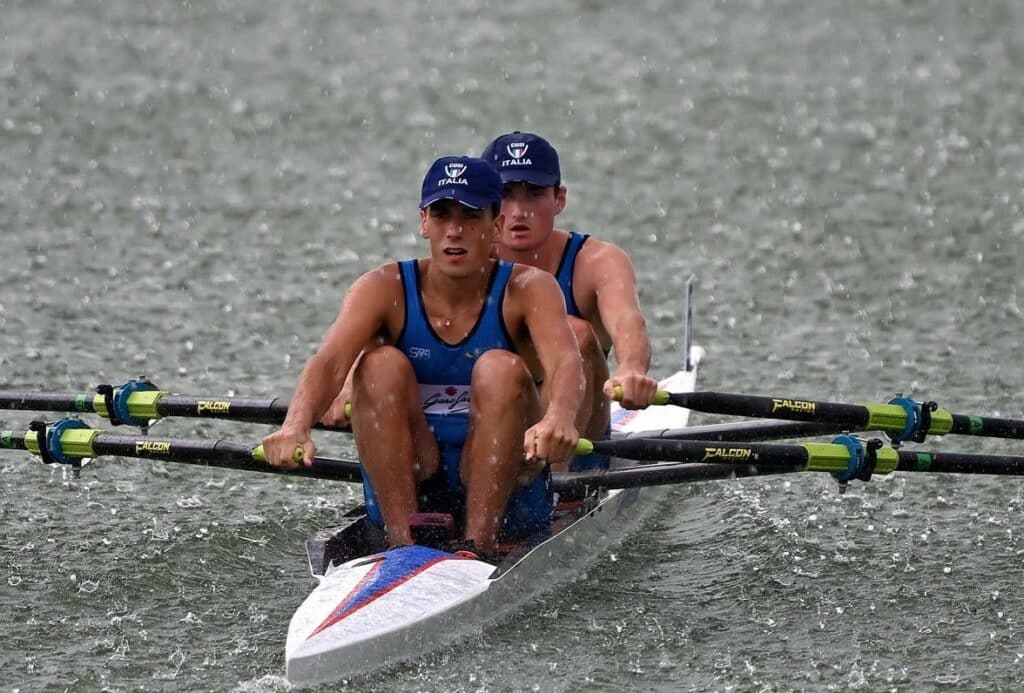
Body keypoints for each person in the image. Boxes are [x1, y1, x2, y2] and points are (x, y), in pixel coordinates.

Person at [262, 156, 583, 553]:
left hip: (511, 494)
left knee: (499, 369)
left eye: (470, 216)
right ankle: (402, 544)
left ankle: (479, 544)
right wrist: (295, 426)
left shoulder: (530, 289)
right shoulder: (382, 288)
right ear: (424, 222)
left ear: (496, 226)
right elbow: (329, 361)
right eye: (442, 215)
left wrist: (559, 417)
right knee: (378, 366)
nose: (454, 231)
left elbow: (565, 361)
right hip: (417, 471)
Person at [480, 131, 659, 471]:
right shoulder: (463, 262)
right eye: (505, 195)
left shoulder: (597, 261)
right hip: (495, 433)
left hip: (579, 443)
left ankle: (555, 486)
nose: (519, 212)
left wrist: (632, 369)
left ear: (559, 199)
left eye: (534, 194)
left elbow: (627, 320)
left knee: (574, 333)